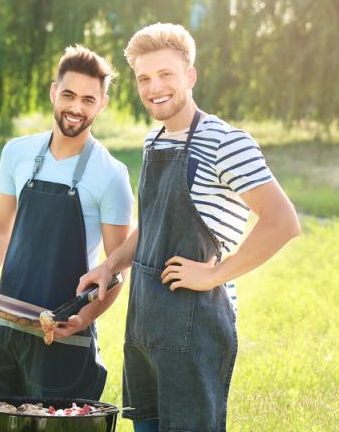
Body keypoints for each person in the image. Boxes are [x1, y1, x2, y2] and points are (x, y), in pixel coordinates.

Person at [71, 23, 300, 431]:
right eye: (144, 78)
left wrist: (215, 273)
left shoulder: (226, 142)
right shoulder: (153, 140)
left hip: (196, 331)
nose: (154, 87)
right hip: (144, 326)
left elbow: (283, 222)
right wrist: (112, 265)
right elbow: (153, 221)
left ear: (190, 76)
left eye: (166, 74)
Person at [0, 45, 134, 399]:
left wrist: (83, 319)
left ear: (102, 104)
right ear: (54, 92)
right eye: (68, 95)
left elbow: (117, 270)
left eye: (88, 99)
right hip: (4, 323)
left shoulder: (111, 175)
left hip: (63, 335)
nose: (76, 108)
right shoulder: (16, 153)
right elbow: (1, 230)